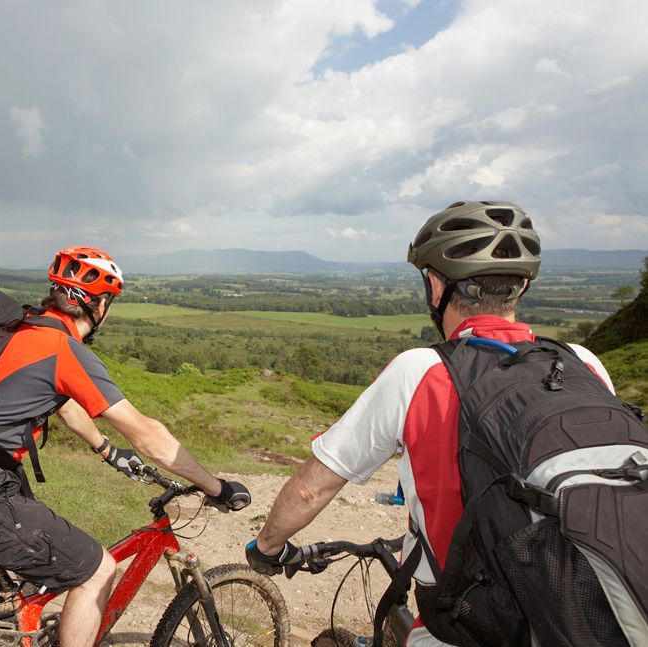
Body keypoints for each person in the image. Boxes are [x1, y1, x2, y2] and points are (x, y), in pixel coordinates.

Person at [245, 202, 615, 646]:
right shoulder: (583, 363)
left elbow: (311, 488)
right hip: (596, 615)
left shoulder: (420, 370)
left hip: (470, 627)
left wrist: (266, 546)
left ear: (436, 285)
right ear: (523, 286)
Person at [0, 246, 251, 647]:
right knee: (97, 569)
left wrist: (105, 449)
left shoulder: (21, 327)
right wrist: (215, 486)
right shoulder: (64, 350)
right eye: (109, 302)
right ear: (99, 304)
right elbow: (148, 435)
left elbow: (63, 404)